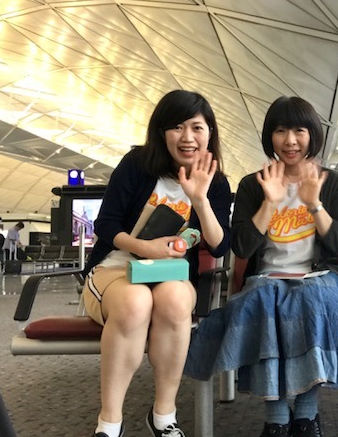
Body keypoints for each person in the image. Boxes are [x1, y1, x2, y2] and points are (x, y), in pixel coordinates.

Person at [186, 96, 338, 437]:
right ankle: (277, 418)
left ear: (312, 134)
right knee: (265, 300)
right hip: (266, 279)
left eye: (299, 131)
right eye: (280, 131)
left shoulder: (332, 183)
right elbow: (242, 247)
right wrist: (270, 203)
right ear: (270, 136)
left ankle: (305, 415)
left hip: (322, 278)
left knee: (310, 298)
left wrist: (315, 205)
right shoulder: (252, 185)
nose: (290, 141)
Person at [81, 89, 232, 437]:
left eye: (197, 127)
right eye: (177, 127)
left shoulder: (216, 183)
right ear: (161, 132)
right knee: (136, 301)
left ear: (209, 133)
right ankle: (109, 424)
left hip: (170, 276)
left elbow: (219, 244)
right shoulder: (137, 165)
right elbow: (106, 225)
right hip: (116, 269)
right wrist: (144, 247)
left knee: (176, 300)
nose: (187, 137)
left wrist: (200, 199)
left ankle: (164, 416)